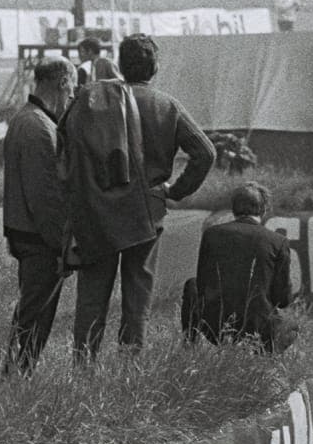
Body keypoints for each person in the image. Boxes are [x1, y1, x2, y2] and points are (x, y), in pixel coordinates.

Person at [66, 33, 215, 362]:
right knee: (137, 301)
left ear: (119, 65)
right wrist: (175, 191)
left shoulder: (95, 100)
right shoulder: (165, 105)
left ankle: (83, 370)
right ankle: (130, 369)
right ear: (156, 67)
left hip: (98, 211)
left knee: (91, 299)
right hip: (146, 212)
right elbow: (205, 153)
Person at [2, 57, 76, 374]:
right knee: (35, 314)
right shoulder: (40, 128)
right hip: (39, 238)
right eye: (71, 88)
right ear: (62, 82)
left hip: (23, 231)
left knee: (31, 309)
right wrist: (63, 246)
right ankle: (17, 374)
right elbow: (45, 198)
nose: (72, 97)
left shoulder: (24, 119)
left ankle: (18, 371)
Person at [182, 182, 294, 351]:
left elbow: (202, 285)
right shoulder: (278, 242)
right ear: (263, 210)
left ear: (233, 209)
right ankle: (263, 361)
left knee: (191, 284)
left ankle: (189, 346)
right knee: (292, 327)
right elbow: (283, 299)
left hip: (215, 326)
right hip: (258, 328)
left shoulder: (211, 235)